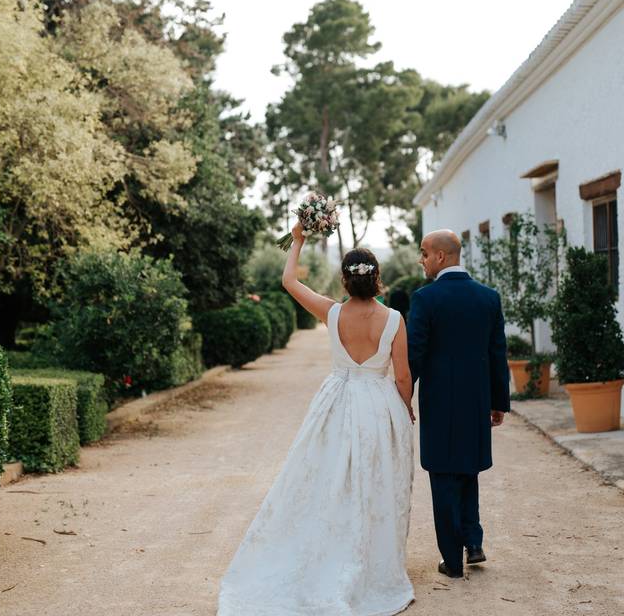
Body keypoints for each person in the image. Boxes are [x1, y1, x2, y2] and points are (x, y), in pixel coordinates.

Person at [217, 221, 416, 616]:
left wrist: (299, 240)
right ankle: (371, 558)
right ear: (377, 279)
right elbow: (404, 374)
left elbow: (289, 280)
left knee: (328, 478)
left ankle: (329, 549)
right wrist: (405, 407)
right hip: (379, 405)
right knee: (376, 482)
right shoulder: (394, 319)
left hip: (337, 403)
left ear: (344, 279)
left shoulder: (332, 312)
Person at [407, 229, 510, 579]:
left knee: (442, 477)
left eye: (424, 253)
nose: (421, 260)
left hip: (439, 405)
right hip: (476, 402)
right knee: (468, 471)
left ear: (440, 257)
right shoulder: (488, 298)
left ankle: (452, 560)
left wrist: (402, 396)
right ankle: (474, 542)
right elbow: (497, 355)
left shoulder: (425, 299)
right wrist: (498, 402)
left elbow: (414, 356)